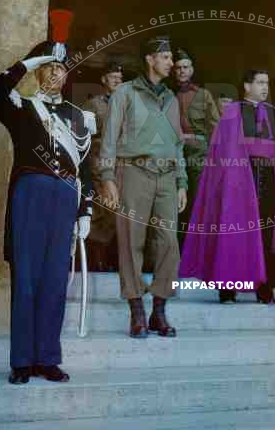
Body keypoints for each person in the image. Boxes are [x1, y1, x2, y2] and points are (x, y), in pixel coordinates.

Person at [0, 10, 95, 384]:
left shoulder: (80, 117)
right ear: (38, 72)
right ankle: (21, 361)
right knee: (27, 279)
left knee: (54, 281)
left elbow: (84, 167)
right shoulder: (21, 108)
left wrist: (85, 210)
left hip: (65, 197)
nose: (54, 74)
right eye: (47, 68)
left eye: (59, 68)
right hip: (30, 193)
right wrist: (30, 60)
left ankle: (47, 357)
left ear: (67, 74)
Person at [179, 69, 275, 304]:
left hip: (268, 180)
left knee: (266, 233)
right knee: (234, 232)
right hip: (239, 181)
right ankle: (228, 289)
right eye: (260, 82)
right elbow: (222, 152)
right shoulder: (232, 112)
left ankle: (264, 289)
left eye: (267, 83)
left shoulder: (274, 113)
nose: (265, 87)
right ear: (246, 86)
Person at [100, 36, 187, 338]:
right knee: (131, 241)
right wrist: (107, 177)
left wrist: (181, 181)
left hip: (166, 177)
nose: (171, 63)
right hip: (132, 173)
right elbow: (109, 137)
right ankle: (136, 310)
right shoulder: (125, 93)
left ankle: (159, 312)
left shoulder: (171, 99)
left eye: (171, 58)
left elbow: (177, 145)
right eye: (166, 57)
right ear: (151, 59)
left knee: (169, 244)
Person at [173, 48, 220, 251]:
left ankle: (193, 250)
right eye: (178, 68)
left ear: (192, 69)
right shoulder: (166, 94)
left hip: (199, 155)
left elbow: (216, 128)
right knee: (171, 201)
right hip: (172, 153)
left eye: (186, 67)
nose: (182, 71)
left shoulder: (203, 95)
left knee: (195, 202)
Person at [82, 62, 123, 271]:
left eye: (119, 77)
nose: (117, 80)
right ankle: (97, 261)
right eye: (113, 76)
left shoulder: (127, 104)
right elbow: (82, 136)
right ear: (103, 80)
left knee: (119, 214)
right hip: (99, 166)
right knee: (102, 213)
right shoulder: (93, 105)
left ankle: (113, 260)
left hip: (122, 167)